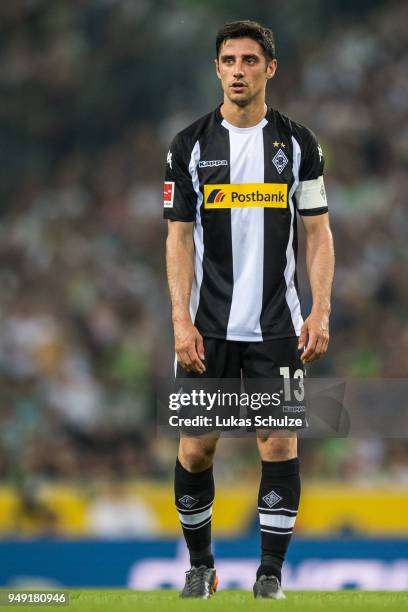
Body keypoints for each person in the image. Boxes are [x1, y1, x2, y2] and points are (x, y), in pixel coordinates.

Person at [164, 20, 334, 599]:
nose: (238, 70)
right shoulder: (187, 146)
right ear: (217, 69)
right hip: (206, 329)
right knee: (195, 447)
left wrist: (321, 309)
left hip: (277, 327)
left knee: (279, 443)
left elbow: (318, 233)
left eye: (249, 60)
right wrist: (180, 320)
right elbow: (178, 238)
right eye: (229, 60)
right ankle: (201, 567)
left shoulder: (299, 144)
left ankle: (269, 575)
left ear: (270, 69)